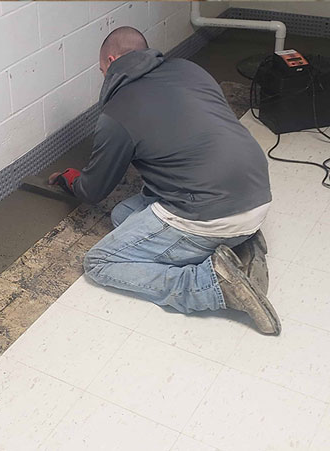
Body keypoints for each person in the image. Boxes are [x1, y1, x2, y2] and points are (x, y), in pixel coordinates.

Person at [48, 26, 280, 334]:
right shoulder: (189, 69)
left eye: (102, 69)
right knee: (122, 215)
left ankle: (212, 286)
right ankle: (241, 245)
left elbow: (93, 191)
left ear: (112, 60)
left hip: (209, 214)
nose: (103, 75)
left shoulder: (117, 113)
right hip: (256, 191)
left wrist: (71, 180)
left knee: (100, 263)